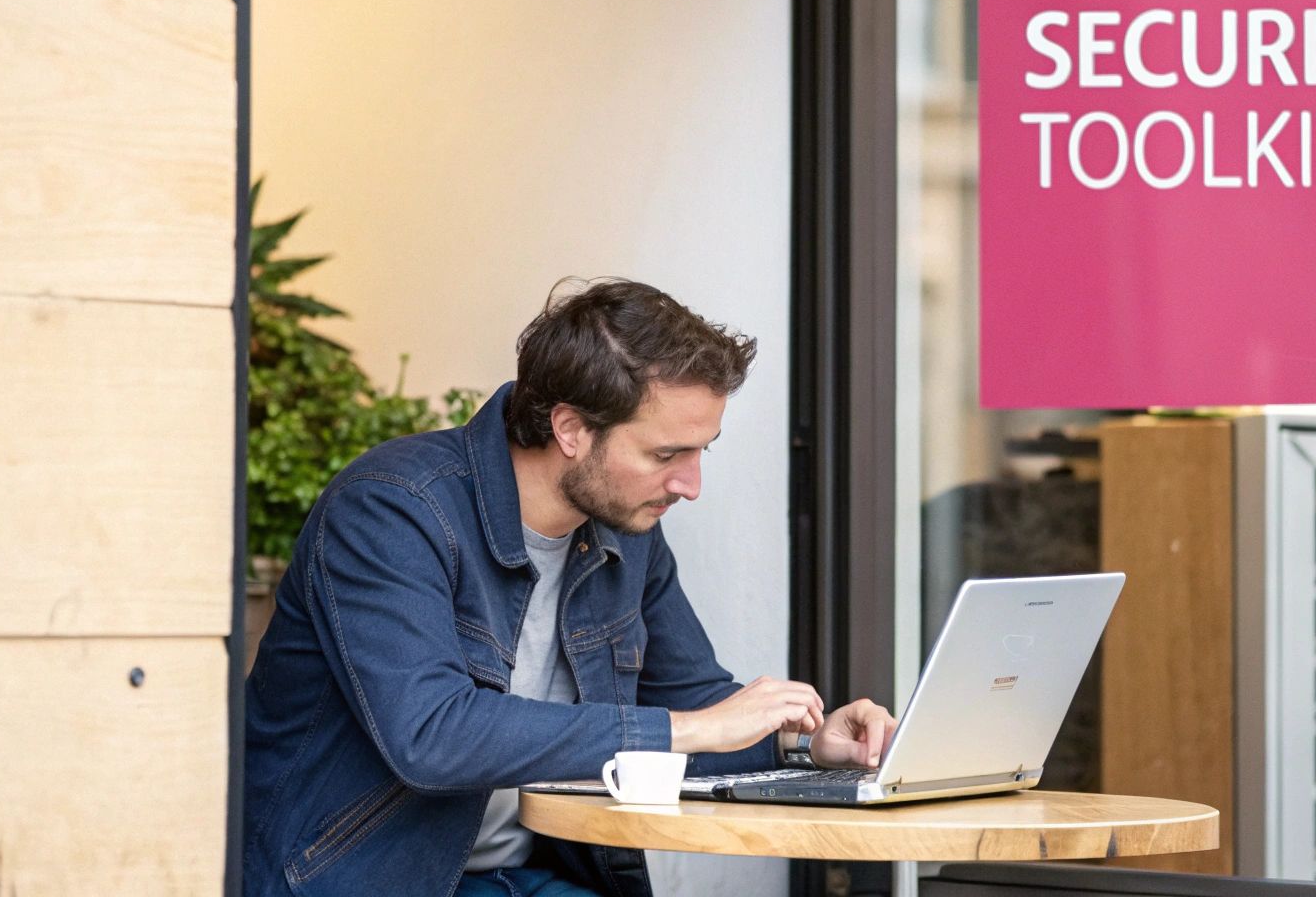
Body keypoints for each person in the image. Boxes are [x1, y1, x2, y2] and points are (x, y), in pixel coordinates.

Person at [244, 279, 897, 897]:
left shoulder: (625, 531)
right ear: (570, 429)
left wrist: (803, 742)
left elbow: (692, 706)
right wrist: (691, 727)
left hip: (525, 874)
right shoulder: (391, 510)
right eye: (666, 455)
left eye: (703, 451)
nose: (690, 485)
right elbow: (432, 734)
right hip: (359, 879)